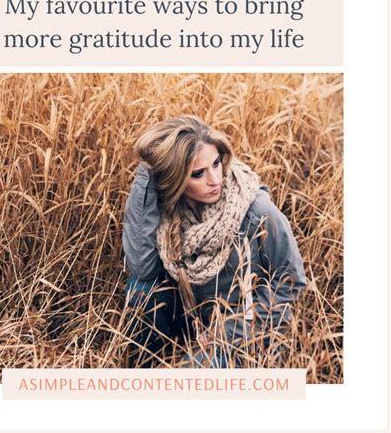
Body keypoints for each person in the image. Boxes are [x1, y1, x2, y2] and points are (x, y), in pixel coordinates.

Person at [122, 116, 306, 368]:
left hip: (247, 328)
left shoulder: (256, 209)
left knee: (193, 376)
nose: (215, 180)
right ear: (175, 180)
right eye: (198, 174)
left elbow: (291, 282)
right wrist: (147, 176)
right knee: (141, 290)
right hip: (195, 316)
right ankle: (146, 369)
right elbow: (143, 269)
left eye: (217, 163)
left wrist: (224, 333)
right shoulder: (170, 212)